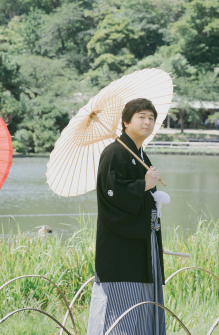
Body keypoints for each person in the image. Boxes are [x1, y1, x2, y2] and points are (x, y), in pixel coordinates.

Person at [87, 98, 168, 335]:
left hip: (142, 241)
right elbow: (112, 194)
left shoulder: (139, 153)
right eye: (141, 117)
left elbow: (145, 195)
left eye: (151, 118)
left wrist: (154, 194)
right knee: (119, 305)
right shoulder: (114, 153)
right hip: (120, 246)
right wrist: (143, 185)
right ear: (126, 122)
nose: (147, 122)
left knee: (143, 303)